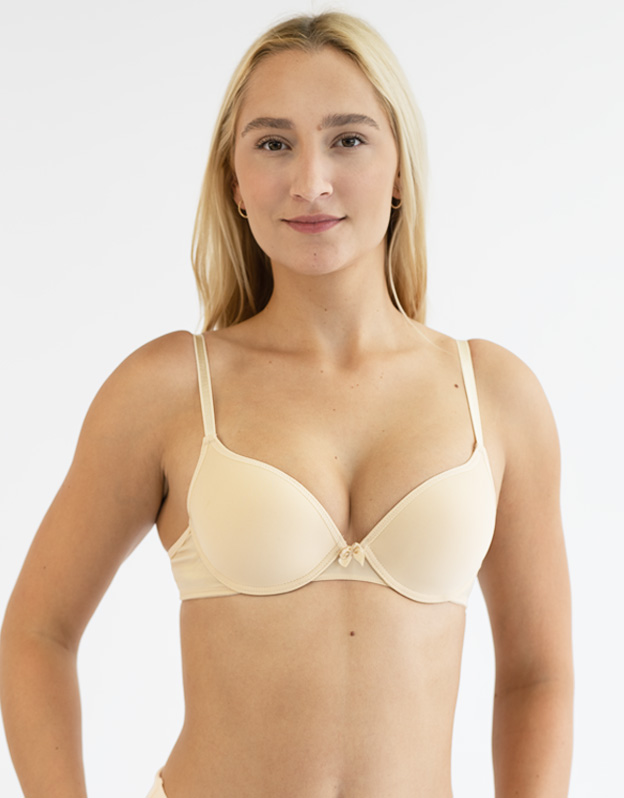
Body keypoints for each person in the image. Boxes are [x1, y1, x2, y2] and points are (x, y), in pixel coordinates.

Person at [0, 12, 573, 798]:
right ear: (234, 183)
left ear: (399, 168)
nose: (310, 181)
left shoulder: (496, 396)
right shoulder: (169, 390)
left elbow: (538, 674)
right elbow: (37, 633)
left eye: (348, 139)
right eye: (273, 144)